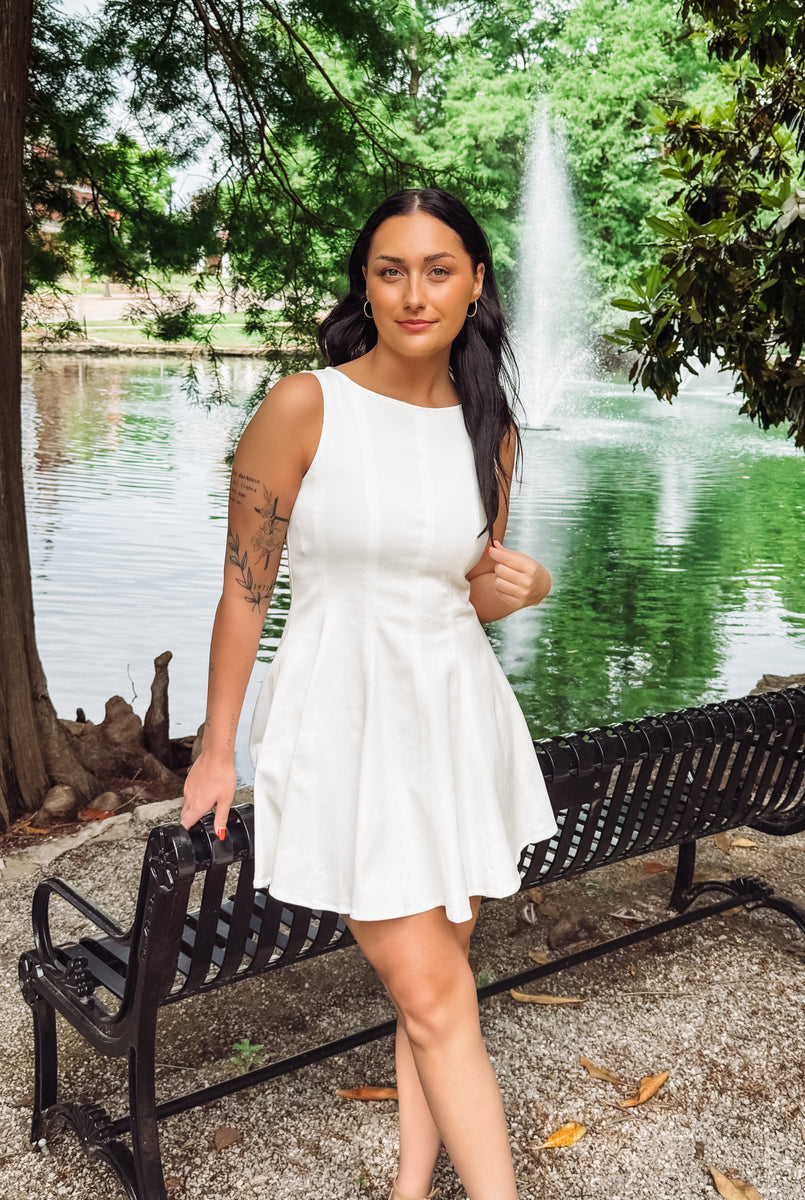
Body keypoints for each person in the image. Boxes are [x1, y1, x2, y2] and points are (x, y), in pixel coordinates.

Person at [180, 187, 558, 1200]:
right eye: (392, 271)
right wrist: (217, 749)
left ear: (476, 283)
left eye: (439, 269)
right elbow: (243, 590)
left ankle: (409, 1186)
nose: (415, 292)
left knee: (434, 990)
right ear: (367, 285)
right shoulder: (307, 405)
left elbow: (462, 596)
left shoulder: (494, 428)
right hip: (342, 725)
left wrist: (525, 586)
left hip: (456, 723)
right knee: (436, 994)